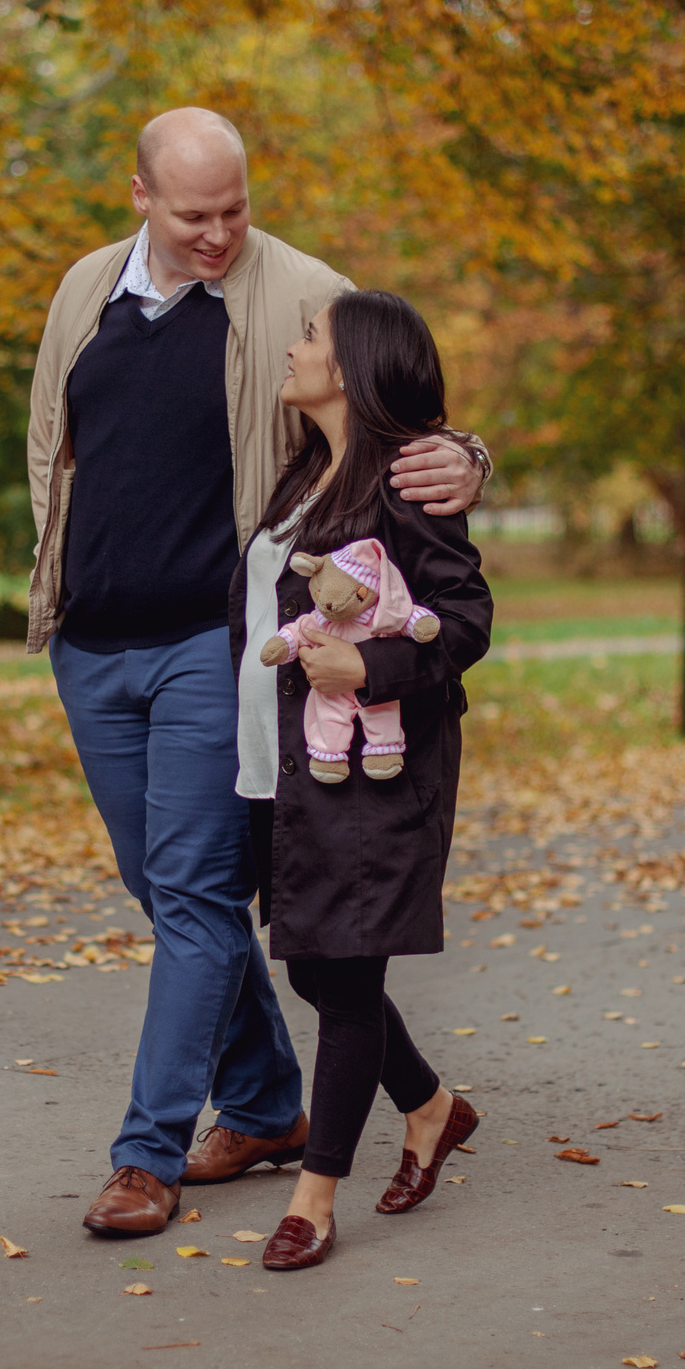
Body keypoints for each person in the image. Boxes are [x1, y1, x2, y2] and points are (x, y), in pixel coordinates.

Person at [26, 108, 490, 1237]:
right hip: (93, 645)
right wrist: (55, 590)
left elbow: (397, 400)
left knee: (194, 892)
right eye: (194, 214)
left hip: (212, 645)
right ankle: (270, 1101)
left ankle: (145, 1155)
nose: (220, 233)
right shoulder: (85, 289)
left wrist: (470, 456)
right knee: (162, 887)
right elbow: (53, 445)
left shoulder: (301, 293)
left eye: (235, 209)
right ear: (140, 195)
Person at [236, 289, 489, 1270]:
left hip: (375, 769)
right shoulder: (307, 472)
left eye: (309, 338)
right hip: (288, 766)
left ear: (347, 367)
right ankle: (429, 1105)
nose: (294, 350)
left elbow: (463, 618)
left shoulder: (403, 482)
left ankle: (314, 1197)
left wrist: (370, 667)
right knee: (312, 965)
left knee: (345, 978)